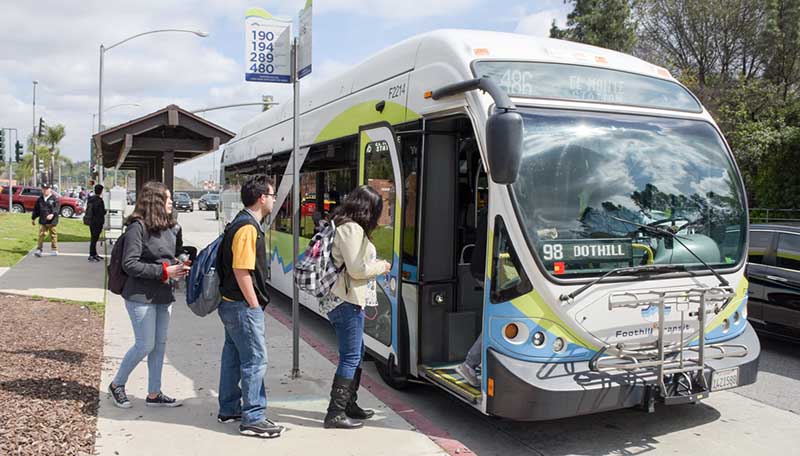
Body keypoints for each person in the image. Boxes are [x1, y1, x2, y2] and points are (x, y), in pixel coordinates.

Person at [108, 181, 190, 409]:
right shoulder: (137, 227)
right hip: (139, 295)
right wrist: (164, 271)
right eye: (167, 198)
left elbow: (175, 252)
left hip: (163, 293)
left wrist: (180, 263)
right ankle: (117, 384)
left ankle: (154, 393)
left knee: (159, 345)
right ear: (155, 201)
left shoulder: (172, 227)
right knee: (145, 344)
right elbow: (130, 264)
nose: (172, 201)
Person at [216, 177, 285, 439]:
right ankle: (253, 417)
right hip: (242, 306)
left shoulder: (240, 222)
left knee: (233, 357)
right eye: (272, 194)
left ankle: (229, 408)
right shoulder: (247, 228)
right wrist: (254, 305)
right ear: (261, 198)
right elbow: (241, 270)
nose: (275, 199)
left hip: (231, 304)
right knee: (255, 360)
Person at [321, 185, 391, 429]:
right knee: (350, 356)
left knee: (357, 352)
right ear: (367, 208)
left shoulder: (350, 227)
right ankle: (335, 413)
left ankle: (349, 403)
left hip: (350, 299)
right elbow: (357, 269)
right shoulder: (350, 229)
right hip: (346, 301)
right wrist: (382, 266)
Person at [455, 208, 488, 388]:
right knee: (495, 323)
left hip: (480, 266)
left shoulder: (488, 210)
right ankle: (470, 363)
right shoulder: (508, 206)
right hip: (487, 269)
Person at [32, 183, 60, 257]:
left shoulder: (54, 198)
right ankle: (39, 250)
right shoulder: (40, 199)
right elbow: (36, 209)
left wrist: (52, 214)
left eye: (46, 189)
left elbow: (57, 209)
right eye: (43, 189)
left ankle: (54, 249)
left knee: (53, 235)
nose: (45, 190)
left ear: (50, 189)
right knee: (42, 234)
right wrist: (33, 218)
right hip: (43, 220)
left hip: (52, 221)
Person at [86, 184, 107, 262]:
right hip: (98, 222)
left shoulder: (90, 199)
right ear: (101, 191)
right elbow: (102, 212)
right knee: (94, 239)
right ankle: (92, 254)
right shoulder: (100, 201)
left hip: (91, 221)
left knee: (93, 238)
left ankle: (94, 254)